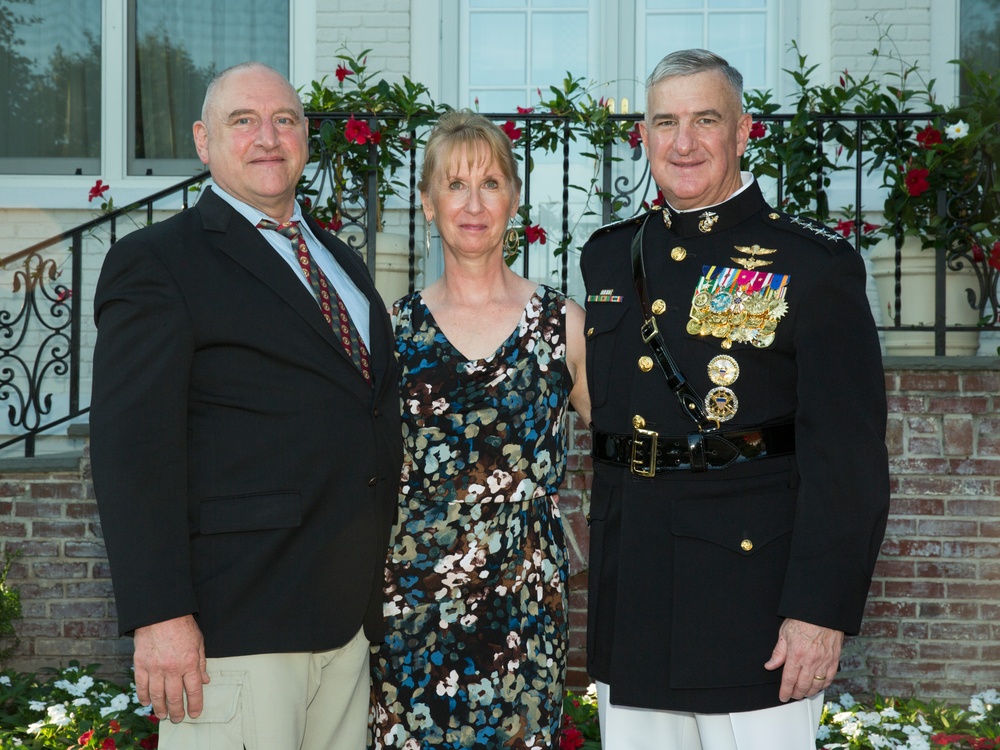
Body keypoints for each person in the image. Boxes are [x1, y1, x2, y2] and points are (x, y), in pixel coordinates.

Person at [580, 49, 890, 749]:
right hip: (634, 600)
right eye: (665, 121)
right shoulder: (609, 256)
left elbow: (847, 457)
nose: (682, 142)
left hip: (753, 614)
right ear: (645, 136)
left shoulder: (813, 265)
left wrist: (819, 612)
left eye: (705, 119)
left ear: (744, 131)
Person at [90, 62, 403, 750]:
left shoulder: (339, 263)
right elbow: (131, 453)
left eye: (284, 120)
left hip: (343, 630)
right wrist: (161, 616)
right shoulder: (157, 263)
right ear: (203, 142)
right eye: (243, 121)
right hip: (236, 630)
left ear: (305, 140)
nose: (268, 136)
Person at [368, 110, 591, 749]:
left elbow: (627, 444)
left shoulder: (562, 325)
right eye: (455, 185)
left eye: (490, 183)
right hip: (412, 609)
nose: (473, 203)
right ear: (428, 203)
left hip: (525, 610)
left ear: (514, 200)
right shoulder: (392, 332)